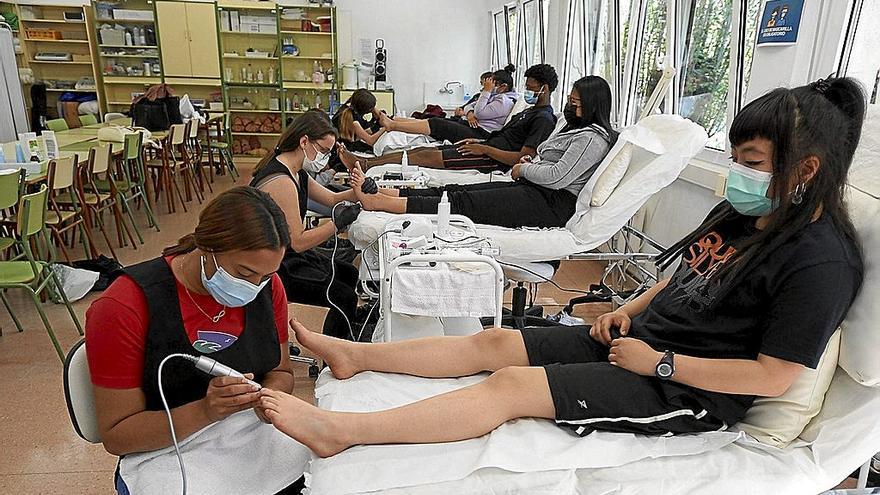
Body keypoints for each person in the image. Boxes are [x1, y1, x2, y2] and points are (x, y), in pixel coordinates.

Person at [258, 77, 866, 458]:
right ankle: (355, 355)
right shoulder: (741, 217)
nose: (739, 174)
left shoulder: (820, 260)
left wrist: (659, 362)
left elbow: (772, 378)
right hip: (639, 343)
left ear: (806, 170)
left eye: (752, 161)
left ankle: (343, 432)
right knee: (497, 339)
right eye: (734, 159)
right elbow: (678, 279)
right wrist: (626, 311)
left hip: (686, 388)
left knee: (510, 387)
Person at [85, 187, 301, 492]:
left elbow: (281, 372)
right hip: (168, 450)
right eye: (244, 273)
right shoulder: (124, 306)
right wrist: (205, 410)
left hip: (251, 430)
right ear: (207, 247)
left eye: (265, 276)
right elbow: (118, 434)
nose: (255, 287)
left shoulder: (267, 285)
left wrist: (270, 398)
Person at [347, 75, 617, 229]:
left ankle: (380, 202)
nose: (570, 107)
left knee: (465, 204)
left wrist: (524, 167)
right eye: (569, 101)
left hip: (550, 202)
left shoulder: (591, 139)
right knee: (458, 191)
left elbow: (557, 176)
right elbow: (547, 163)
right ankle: (387, 193)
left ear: (593, 105)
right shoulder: (574, 129)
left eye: (576, 103)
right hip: (534, 187)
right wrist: (530, 164)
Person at [251, 110, 363, 341]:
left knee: (349, 272)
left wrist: (361, 190)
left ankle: (345, 337)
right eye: (323, 151)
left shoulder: (297, 172)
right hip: (274, 265)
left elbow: (331, 199)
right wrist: (337, 223)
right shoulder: (280, 182)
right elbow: (299, 242)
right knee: (344, 296)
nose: (323, 158)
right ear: (304, 141)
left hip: (287, 255)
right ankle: (335, 359)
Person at [339, 64, 559, 172]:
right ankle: (367, 162)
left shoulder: (544, 119)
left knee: (424, 157)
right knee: (421, 151)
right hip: (484, 147)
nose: (526, 91)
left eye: (531, 88)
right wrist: (480, 142)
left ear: (545, 89)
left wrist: (484, 150)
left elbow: (522, 159)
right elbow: (502, 136)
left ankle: (366, 163)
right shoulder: (528, 111)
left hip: (492, 161)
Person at [382, 65, 518, 142]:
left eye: (491, 84)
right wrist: (470, 113)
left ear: (503, 86)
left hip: (482, 134)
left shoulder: (504, 101)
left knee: (437, 124)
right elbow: (472, 106)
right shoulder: (495, 96)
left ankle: (393, 125)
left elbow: (480, 112)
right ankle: (393, 120)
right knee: (434, 120)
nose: (486, 87)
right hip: (471, 124)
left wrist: (486, 93)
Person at [332, 88, 385, 154]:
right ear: (363, 110)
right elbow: (370, 140)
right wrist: (385, 128)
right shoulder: (353, 119)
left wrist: (378, 117)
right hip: (344, 148)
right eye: (370, 109)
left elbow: (366, 130)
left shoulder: (349, 108)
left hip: (348, 143)